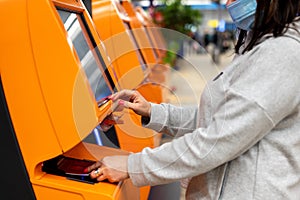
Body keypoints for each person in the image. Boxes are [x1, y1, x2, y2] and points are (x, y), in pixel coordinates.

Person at [87, 0, 300, 199]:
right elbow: (221, 117)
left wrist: (132, 166)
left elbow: (218, 140)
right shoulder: (262, 47)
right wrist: (153, 111)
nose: (227, 3)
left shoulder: (280, 54)